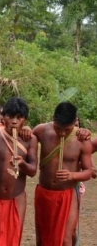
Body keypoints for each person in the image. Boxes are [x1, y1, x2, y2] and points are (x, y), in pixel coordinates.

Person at [0, 97, 38, 246]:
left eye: (19, 117)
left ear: (25, 120)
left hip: (16, 198)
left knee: (12, 240)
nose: (14, 121)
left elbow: (33, 171)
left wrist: (22, 163)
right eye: (10, 117)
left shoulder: (30, 140)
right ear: (3, 117)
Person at [33, 102, 93, 246]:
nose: (61, 133)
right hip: (44, 193)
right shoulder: (41, 131)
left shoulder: (81, 140)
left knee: (65, 240)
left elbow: (88, 171)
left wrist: (72, 175)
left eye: (66, 129)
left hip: (68, 194)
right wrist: (26, 130)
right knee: (42, 239)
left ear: (75, 122)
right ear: (53, 118)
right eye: (58, 128)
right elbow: (26, 139)